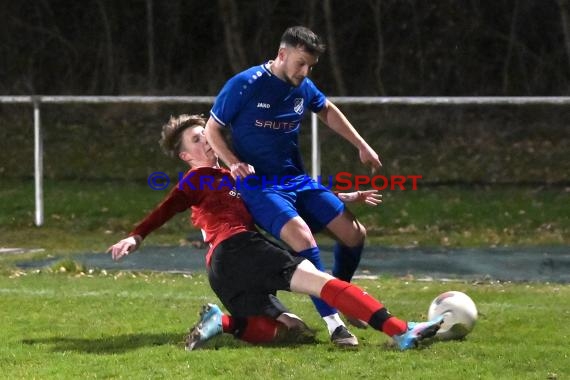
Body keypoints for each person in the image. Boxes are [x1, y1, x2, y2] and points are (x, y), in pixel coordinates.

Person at [107, 114, 442, 351]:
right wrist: (136, 236)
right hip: (240, 249)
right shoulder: (199, 178)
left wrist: (342, 197)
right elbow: (168, 206)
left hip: (223, 273)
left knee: (294, 331)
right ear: (185, 156)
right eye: (197, 140)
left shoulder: (239, 176)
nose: (206, 141)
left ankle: (224, 323)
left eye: (205, 135)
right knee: (322, 283)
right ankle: (400, 331)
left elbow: (287, 197)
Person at [204, 25, 382, 345]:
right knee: (302, 236)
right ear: (282, 54)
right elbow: (211, 130)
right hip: (260, 186)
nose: (305, 71)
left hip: (297, 180)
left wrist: (361, 144)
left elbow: (326, 109)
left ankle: (343, 294)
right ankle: (335, 324)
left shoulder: (303, 85)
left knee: (354, 234)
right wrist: (233, 162)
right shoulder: (244, 84)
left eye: (311, 65)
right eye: (301, 63)